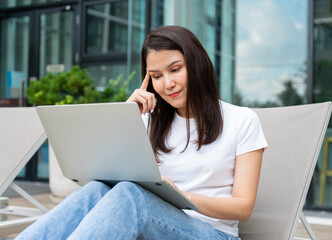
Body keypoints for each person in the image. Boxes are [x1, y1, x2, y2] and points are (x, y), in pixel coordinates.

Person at [15, 25, 268, 240]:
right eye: (156, 76)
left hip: (213, 233)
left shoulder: (242, 120)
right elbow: (107, 175)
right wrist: (128, 115)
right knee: (96, 191)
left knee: (132, 195)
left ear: (197, 63)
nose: (167, 84)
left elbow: (243, 207)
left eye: (175, 69)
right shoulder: (151, 121)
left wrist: (182, 197)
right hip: (155, 224)